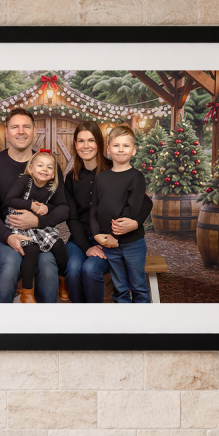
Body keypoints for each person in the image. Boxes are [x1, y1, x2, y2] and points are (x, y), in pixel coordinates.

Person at [64, 122, 152, 303]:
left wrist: (135, 223)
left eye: (91, 140)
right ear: (75, 144)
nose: (86, 145)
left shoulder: (116, 168)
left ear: (101, 144)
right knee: (72, 269)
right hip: (81, 238)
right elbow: (72, 218)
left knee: (90, 270)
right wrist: (87, 247)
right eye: (81, 141)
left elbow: (145, 202)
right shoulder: (71, 178)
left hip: (110, 238)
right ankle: (79, 314)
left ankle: (97, 314)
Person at [0, 108, 60, 303]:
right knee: (10, 264)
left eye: (26, 127)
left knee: (48, 267)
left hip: (39, 235)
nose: (21, 131)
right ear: (6, 132)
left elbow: (62, 207)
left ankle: (45, 319)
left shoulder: (48, 166)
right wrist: (8, 237)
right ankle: (2, 320)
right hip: (4, 236)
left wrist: (38, 221)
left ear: (34, 132)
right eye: (15, 127)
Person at [90, 125, 150, 304]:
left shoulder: (136, 177)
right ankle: (123, 320)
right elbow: (94, 208)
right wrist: (97, 233)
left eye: (126, 145)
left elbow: (131, 210)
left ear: (134, 150)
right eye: (116, 145)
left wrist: (114, 236)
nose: (121, 149)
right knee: (120, 288)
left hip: (132, 244)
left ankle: (143, 320)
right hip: (110, 246)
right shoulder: (101, 178)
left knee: (138, 286)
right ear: (108, 149)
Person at [4, 150, 70, 303]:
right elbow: (9, 200)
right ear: (31, 168)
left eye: (49, 167)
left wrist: (47, 207)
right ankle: (27, 292)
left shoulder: (52, 186)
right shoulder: (25, 180)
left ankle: (63, 279)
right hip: (19, 223)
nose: (44, 169)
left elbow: (58, 206)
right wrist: (31, 205)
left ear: (53, 174)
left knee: (59, 245)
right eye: (40, 165)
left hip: (39, 225)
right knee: (32, 250)